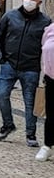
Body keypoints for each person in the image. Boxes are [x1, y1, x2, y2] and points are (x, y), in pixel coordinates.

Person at [0, 0, 51, 146]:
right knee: (1, 94)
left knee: (30, 102)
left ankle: (31, 134)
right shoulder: (10, 16)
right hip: (9, 65)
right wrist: (1, 58)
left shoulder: (45, 22)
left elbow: (49, 46)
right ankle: (8, 125)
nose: (29, 0)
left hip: (31, 68)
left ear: (39, 2)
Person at [37, 22, 54, 161]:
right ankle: (48, 145)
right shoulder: (50, 29)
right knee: (51, 114)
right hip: (51, 78)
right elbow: (44, 48)